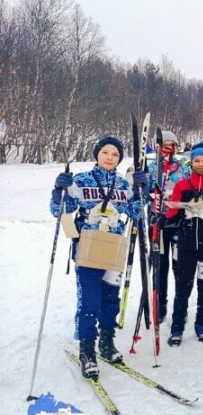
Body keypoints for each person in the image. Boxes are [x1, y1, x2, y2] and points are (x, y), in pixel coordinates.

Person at [50, 136, 148, 378]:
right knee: (89, 303)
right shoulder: (82, 181)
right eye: (105, 152)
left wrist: (140, 191)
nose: (109, 157)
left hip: (114, 248)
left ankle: (106, 342)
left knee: (110, 301)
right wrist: (58, 191)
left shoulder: (123, 185)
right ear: (97, 154)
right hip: (88, 248)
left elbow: (136, 213)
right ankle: (87, 350)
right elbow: (60, 211)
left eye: (115, 155)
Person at [163, 142, 203, 346]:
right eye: (197, 161)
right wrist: (163, 218)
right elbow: (172, 213)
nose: (200, 164)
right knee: (183, 285)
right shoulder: (182, 185)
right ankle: (177, 327)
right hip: (186, 242)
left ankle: (201, 324)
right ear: (191, 163)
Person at [146, 130, 190, 322]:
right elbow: (141, 193)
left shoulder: (183, 168)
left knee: (180, 267)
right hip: (158, 223)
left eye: (172, 145)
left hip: (179, 223)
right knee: (160, 266)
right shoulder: (152, 167)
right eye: (164, 145)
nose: (168, 149)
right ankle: (160, 304)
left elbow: (191, 191)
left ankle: (181, 305)